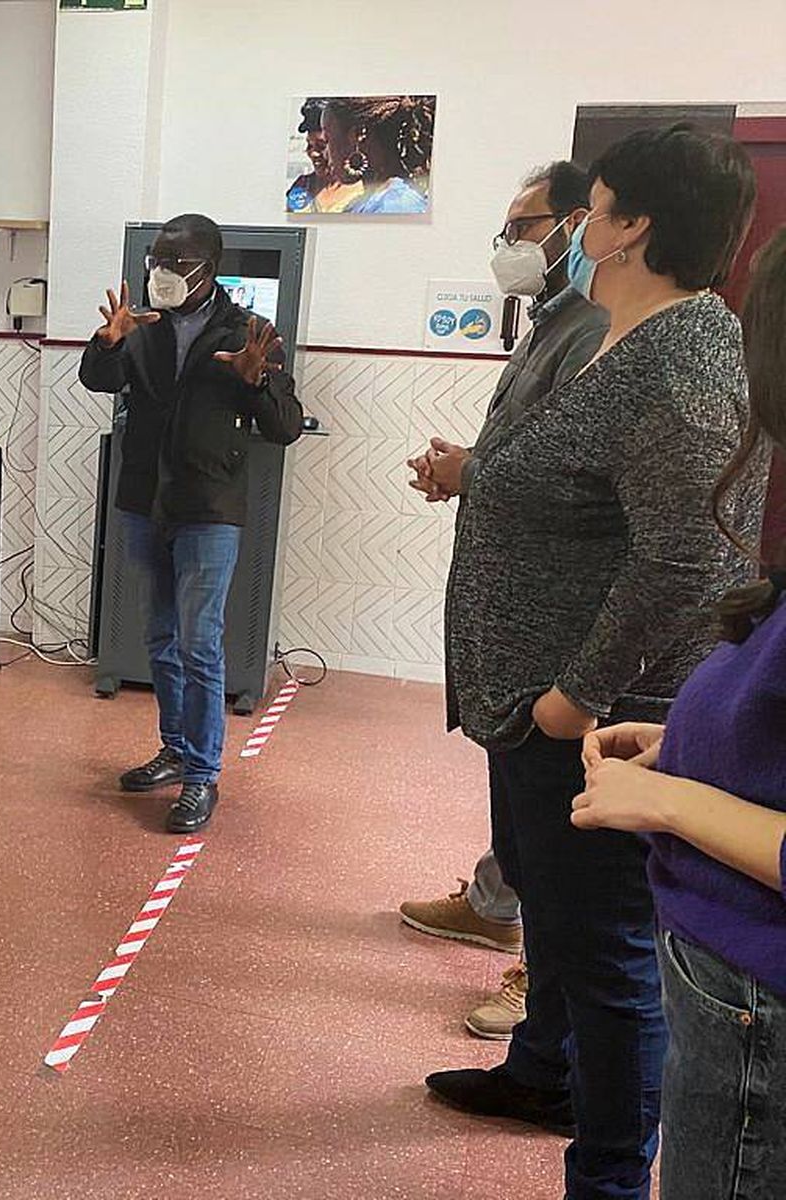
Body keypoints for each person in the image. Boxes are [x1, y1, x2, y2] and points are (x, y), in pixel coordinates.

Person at [427, 125, 759, 1200]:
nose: (575, 227)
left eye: (592, 206)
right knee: (558, 927)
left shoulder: (683, 360)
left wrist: (573, 697)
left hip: (594, 712)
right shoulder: (610, 334)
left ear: (632, 227)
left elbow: (689, 562)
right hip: (527, 695)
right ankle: (539, 1075)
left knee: (607, 958)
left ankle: (607, 1176)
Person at [569, 225, 786, 1200]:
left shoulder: (675, 381)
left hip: (758, 1012)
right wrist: (696, 745)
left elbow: (667, 561)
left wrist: (664, 803)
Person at [398, 162, 609, 1042]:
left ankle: (543, 996)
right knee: (520, 815)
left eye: (522, 227)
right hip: (510, 623)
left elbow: (577, 482)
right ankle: (497, 906)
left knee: (561, 841)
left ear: (586, 224)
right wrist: (472, 472)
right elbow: (532, 457)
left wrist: (471, 472)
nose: (509, 246)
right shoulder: (554, 321)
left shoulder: (603, 330)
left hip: (556, 632)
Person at [79, 214, 303, 834]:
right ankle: (175, 750)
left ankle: (203, 775)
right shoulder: (144, 326)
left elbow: (284, 426)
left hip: (209, 507)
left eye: (176, 263)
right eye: (157, 260)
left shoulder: (249, 331)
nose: (163, 274)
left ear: (207, 267)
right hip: (145, 499)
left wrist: (256, 384)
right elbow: (98, 380)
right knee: (160, 637)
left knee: (200, 641)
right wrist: (108, 343)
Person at [322, 96, 433, 215]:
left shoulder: (396, 207)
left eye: (327, 139)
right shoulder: (372, 202)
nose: (325, 153)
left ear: (357, 135)